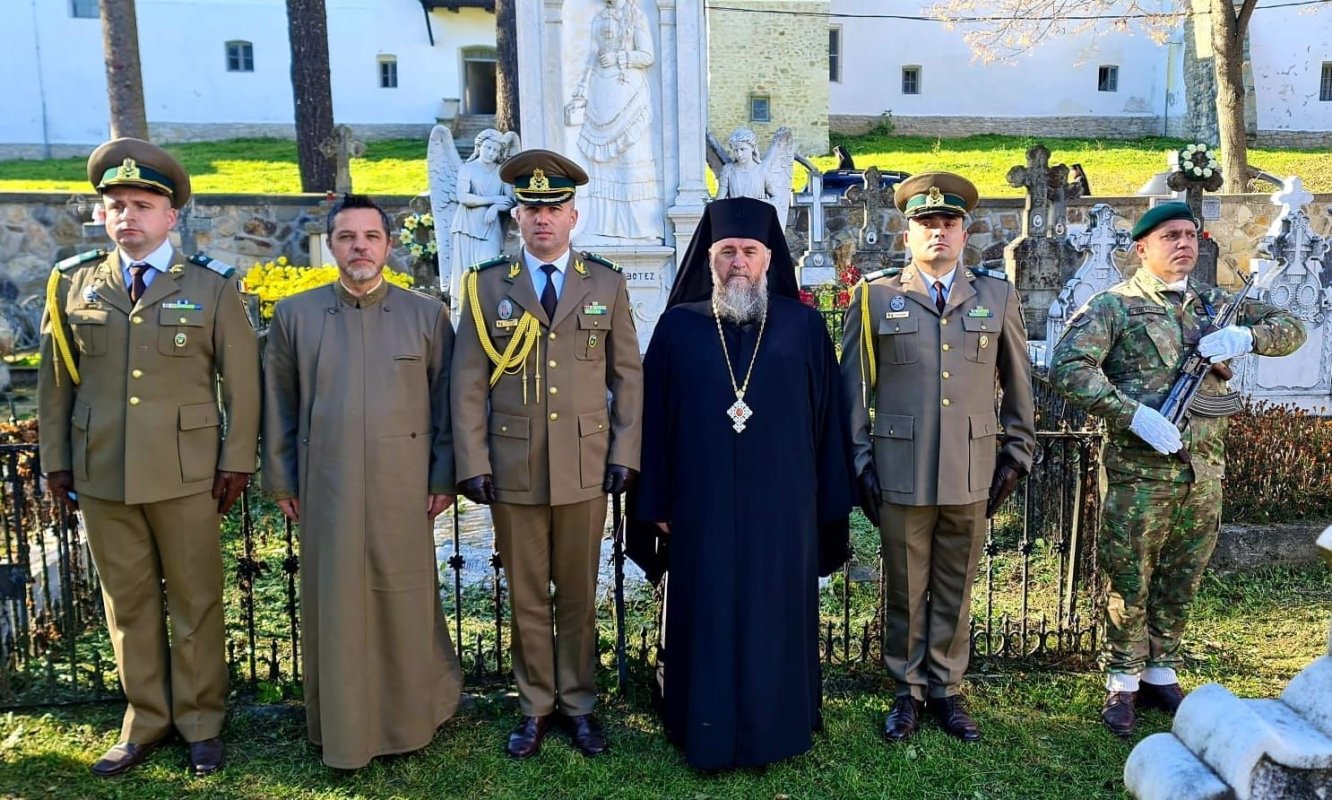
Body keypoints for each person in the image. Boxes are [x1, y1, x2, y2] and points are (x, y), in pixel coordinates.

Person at [37, 138, 260, 777]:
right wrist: (57, 462)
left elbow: (242, 386)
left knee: (195, 600)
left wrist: (236, 462)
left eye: (142, 204)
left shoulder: (213, 287)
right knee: (127, 604)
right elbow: (57, 382)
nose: (127, 216)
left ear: (171, 216)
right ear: (102, 215)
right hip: (102, 470)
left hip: (188, 474)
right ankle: (146, 721)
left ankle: (201, 723)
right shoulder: (74, 282)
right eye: (116, 205)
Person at [1049, 202, 1306, 737]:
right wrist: (1132, 414)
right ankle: (1122, 679)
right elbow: (1067, 367)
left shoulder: (1214, 304)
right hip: (1140, 472)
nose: (1184, 243)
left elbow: (1292, 327)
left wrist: (1246, 338)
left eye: (1190, 234)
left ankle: (1161, 671)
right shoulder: (1113, 307)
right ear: (1142, 247)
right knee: (1129, 576)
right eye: (1170, 235)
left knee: (1182, 576)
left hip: (1204, 472)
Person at [630, 196, 855, 770]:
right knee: (704, 609)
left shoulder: (803, 325)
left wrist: (826, 506)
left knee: (775, 610)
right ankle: (695, 721)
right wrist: (654, 500)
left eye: (748, 252)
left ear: (768, 257)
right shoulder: (678, 327)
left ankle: (777, 725)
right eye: (726, 251)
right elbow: (651, 420)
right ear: (708, 259)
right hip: (698, 506)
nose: (737, 262)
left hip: (784, 510)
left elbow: (829, 417)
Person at [450, 149, 643, 758]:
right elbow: (467, 382)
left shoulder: (605, 282)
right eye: (532, 207)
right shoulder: (487, 287)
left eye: (553, 208)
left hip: (586, 466)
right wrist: (473, 462)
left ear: (573, 216)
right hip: (513, 467)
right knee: (528, 594)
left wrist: (625, 451)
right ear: (516, 216)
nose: (542, 219)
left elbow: (628, 375)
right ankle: (535, 705)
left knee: (580, 592)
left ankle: (580, 705)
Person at [261, 194, 463, 769]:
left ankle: (410, 718)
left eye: (371, 237)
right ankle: (343, 726)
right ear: (331, 245)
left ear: (388, 245)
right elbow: (279, 405)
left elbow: (446, 406)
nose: (360, 248)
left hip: (405, 491)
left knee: (405, 600)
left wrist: (443, 476)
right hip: (326, 488)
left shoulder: (426, 316)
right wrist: (282, 481)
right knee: (338, 604)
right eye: (347, 237)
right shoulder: (294, 316)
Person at [840, 172, 1036, 743]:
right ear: (908, 235)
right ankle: (907, 689)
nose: (938, 233)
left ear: (966, 231)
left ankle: (947, 688)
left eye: (949, 223)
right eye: (927, 224)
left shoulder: (996, 296)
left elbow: (1018, 383)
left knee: (956, 581)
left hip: (973, 469)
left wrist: (1017, 453)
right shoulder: (875, 296)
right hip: (899, 469)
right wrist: (859, 462)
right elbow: (853, 387)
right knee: (903, 581)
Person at [564, 0, 663, 242]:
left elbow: (647, 55)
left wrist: (620, 58)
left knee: (631, 160)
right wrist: (582, 89)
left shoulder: (635, 16)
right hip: (601, 94)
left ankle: (641, 229)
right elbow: (590, 55)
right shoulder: (599, 17)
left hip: (628, 94)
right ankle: (602, 225)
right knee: (601, 164)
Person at [450, 128, 519, 283]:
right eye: (488, 147)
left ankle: (489, 305)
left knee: (490, 269)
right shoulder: (467, 168)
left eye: (495, 150)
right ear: (479, 146)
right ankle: (467, 306)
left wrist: (495, 208)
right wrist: (493, 200)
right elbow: (463, 197)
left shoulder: (501, 171)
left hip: (490, 226)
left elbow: (509, 200)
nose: (490, 153)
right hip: (467, 226)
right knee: (467, 273)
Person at [716, 128, 783, 206]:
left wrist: (759, 203)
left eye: (742, 149)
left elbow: (777, 198)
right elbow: (719, 201)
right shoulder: (728, 170)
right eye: (735, 150)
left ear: (752, 148)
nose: (739, 154)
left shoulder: (762, 170)